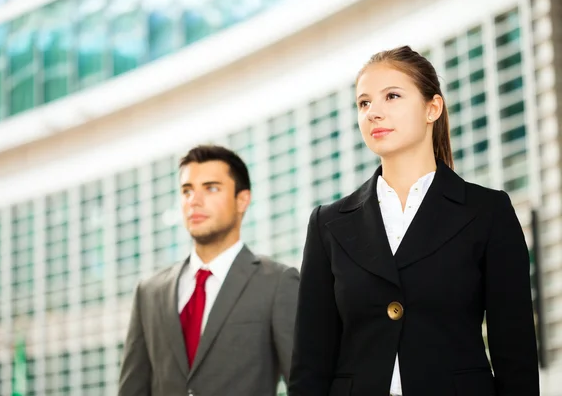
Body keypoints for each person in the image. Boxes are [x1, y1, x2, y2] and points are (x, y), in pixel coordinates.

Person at [288, 45, 539, 396]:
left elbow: (516, 358)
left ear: (432, 108)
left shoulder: (488, 212)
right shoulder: (327, 224)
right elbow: (310, 365)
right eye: (364, 103)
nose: (374, 112)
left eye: (391, 96)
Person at [119, 145, 299, 396]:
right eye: (187, 191)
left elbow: (304, 383)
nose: (194, 200)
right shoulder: (149, 292)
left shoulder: (278, 283)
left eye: (211, 188)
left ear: (242, 200)